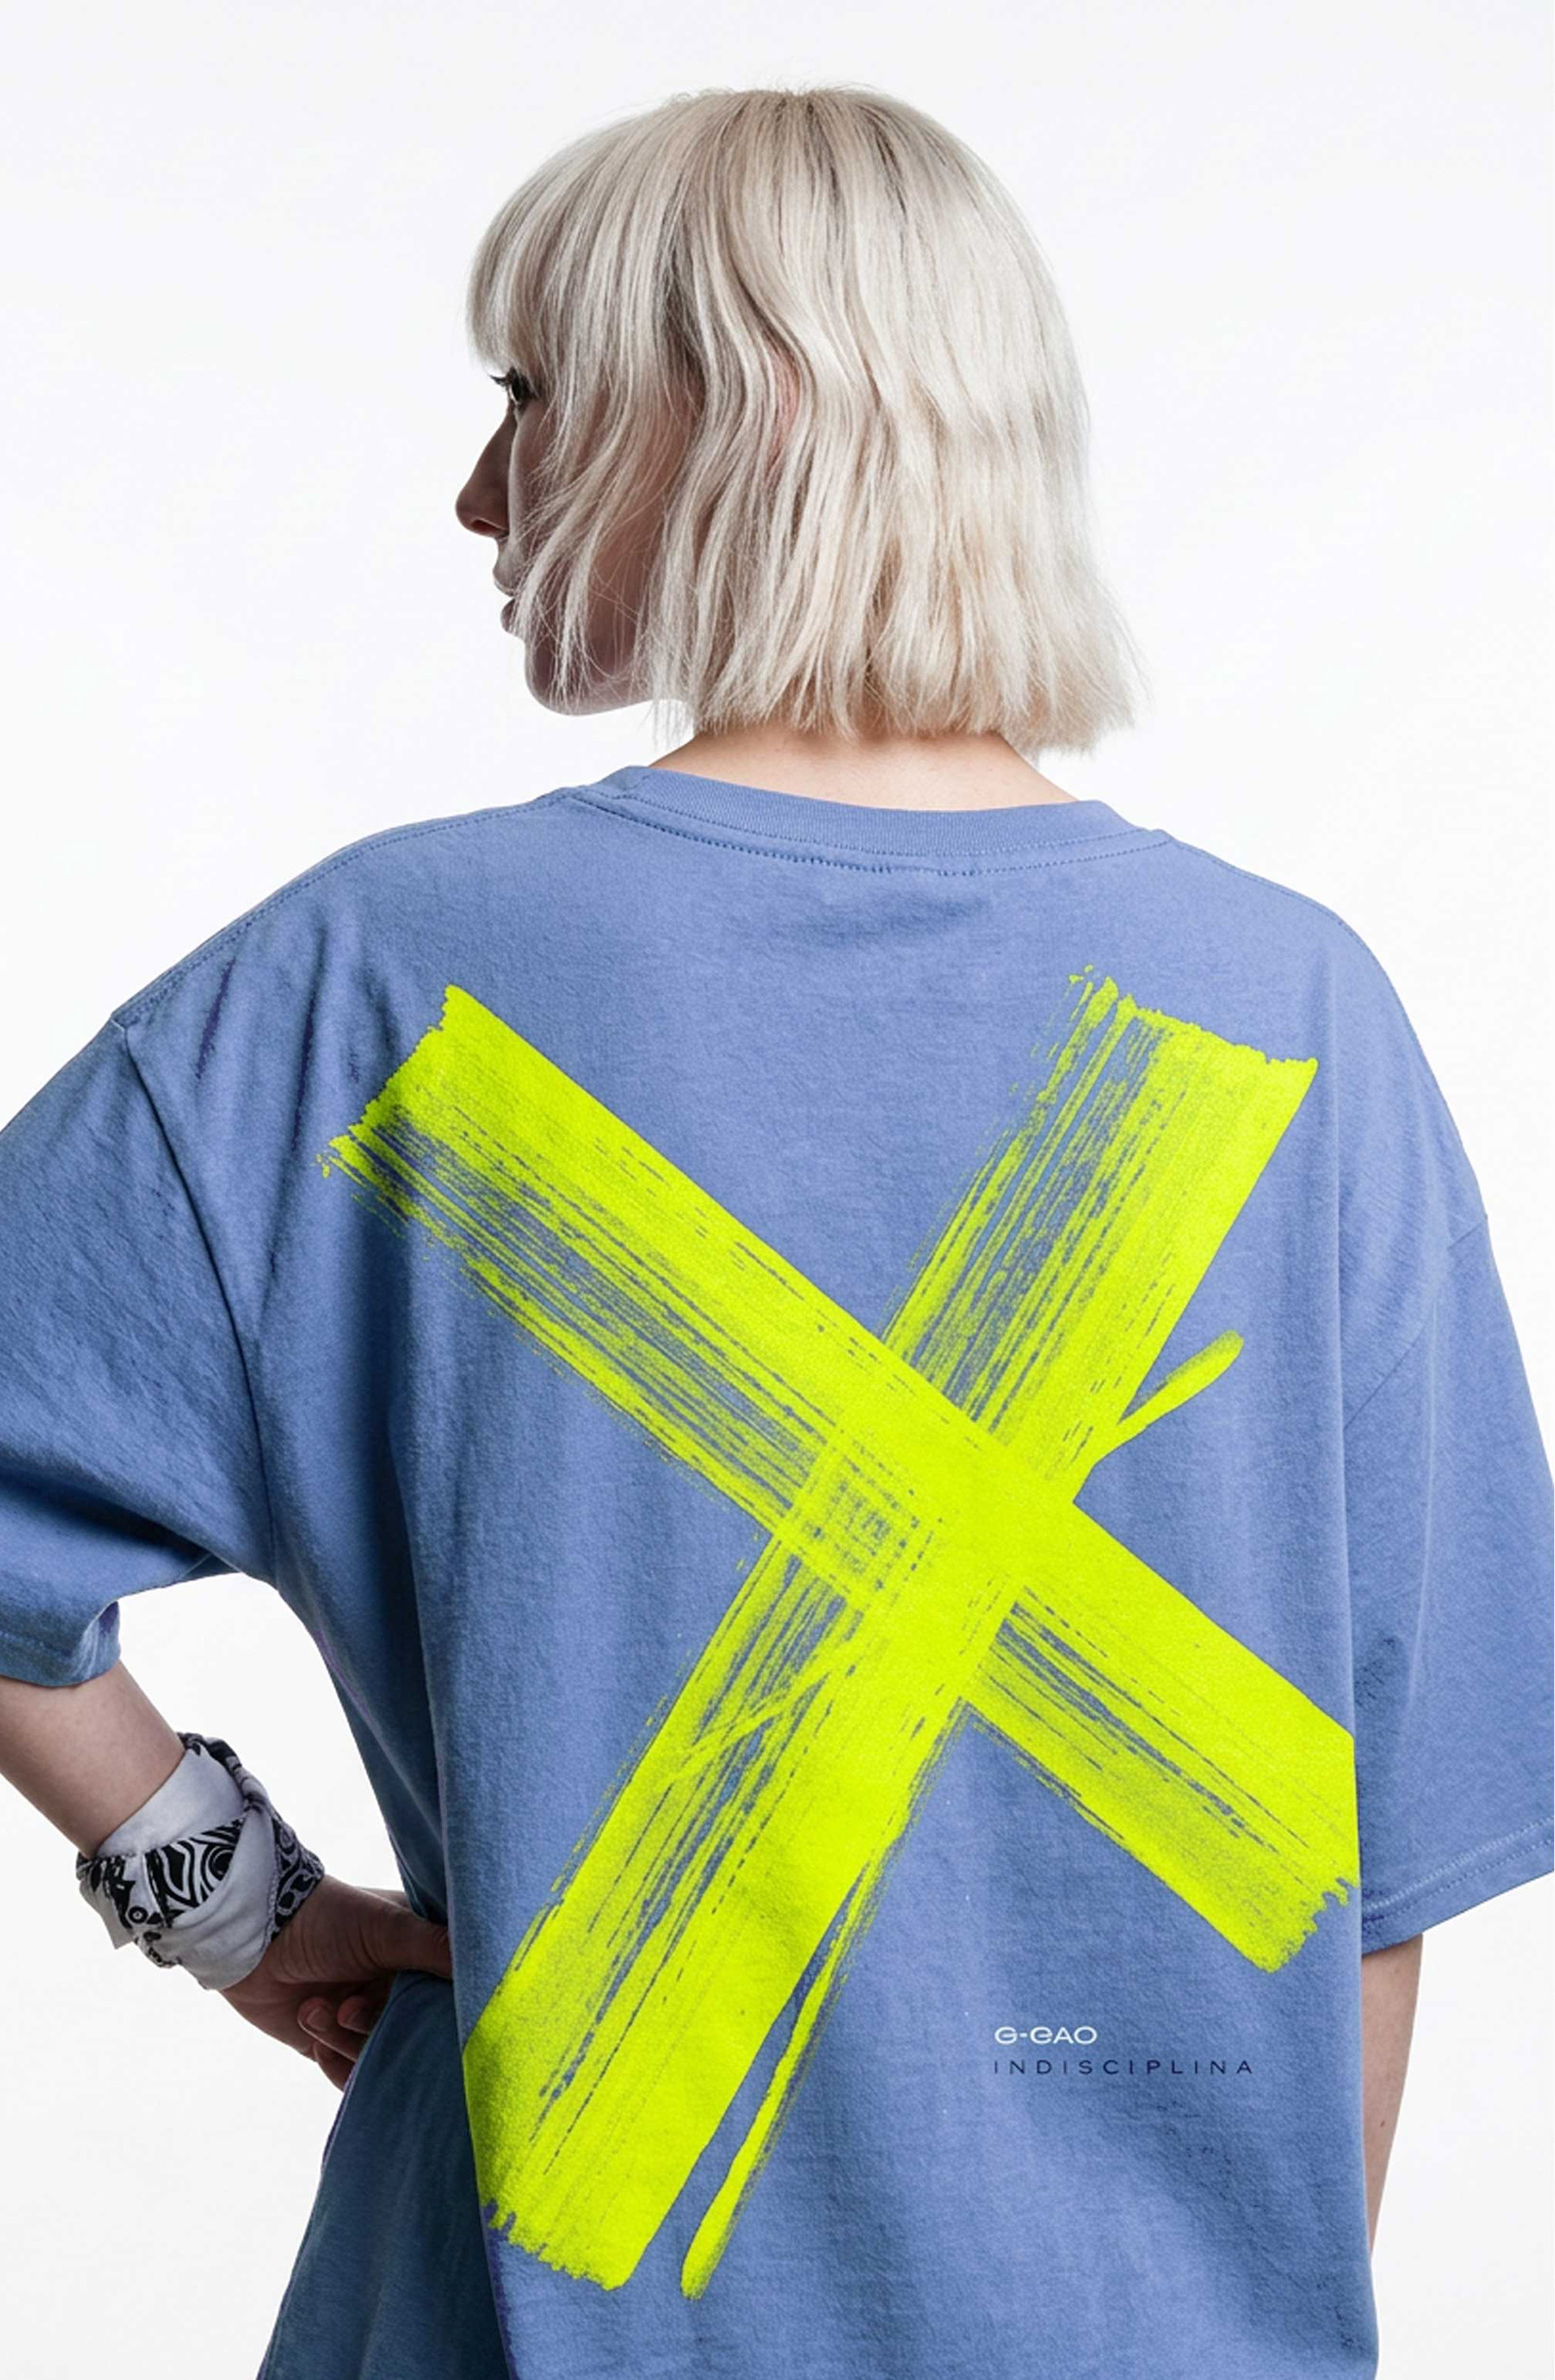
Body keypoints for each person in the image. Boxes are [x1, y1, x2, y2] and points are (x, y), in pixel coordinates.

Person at [0, 79, 1549, 2380]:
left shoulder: (378, 987)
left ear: (743, 411)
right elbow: (1367, 1873)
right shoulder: (1287, 1016)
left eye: (531, 393)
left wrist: (227, 1902)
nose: (477, 493)